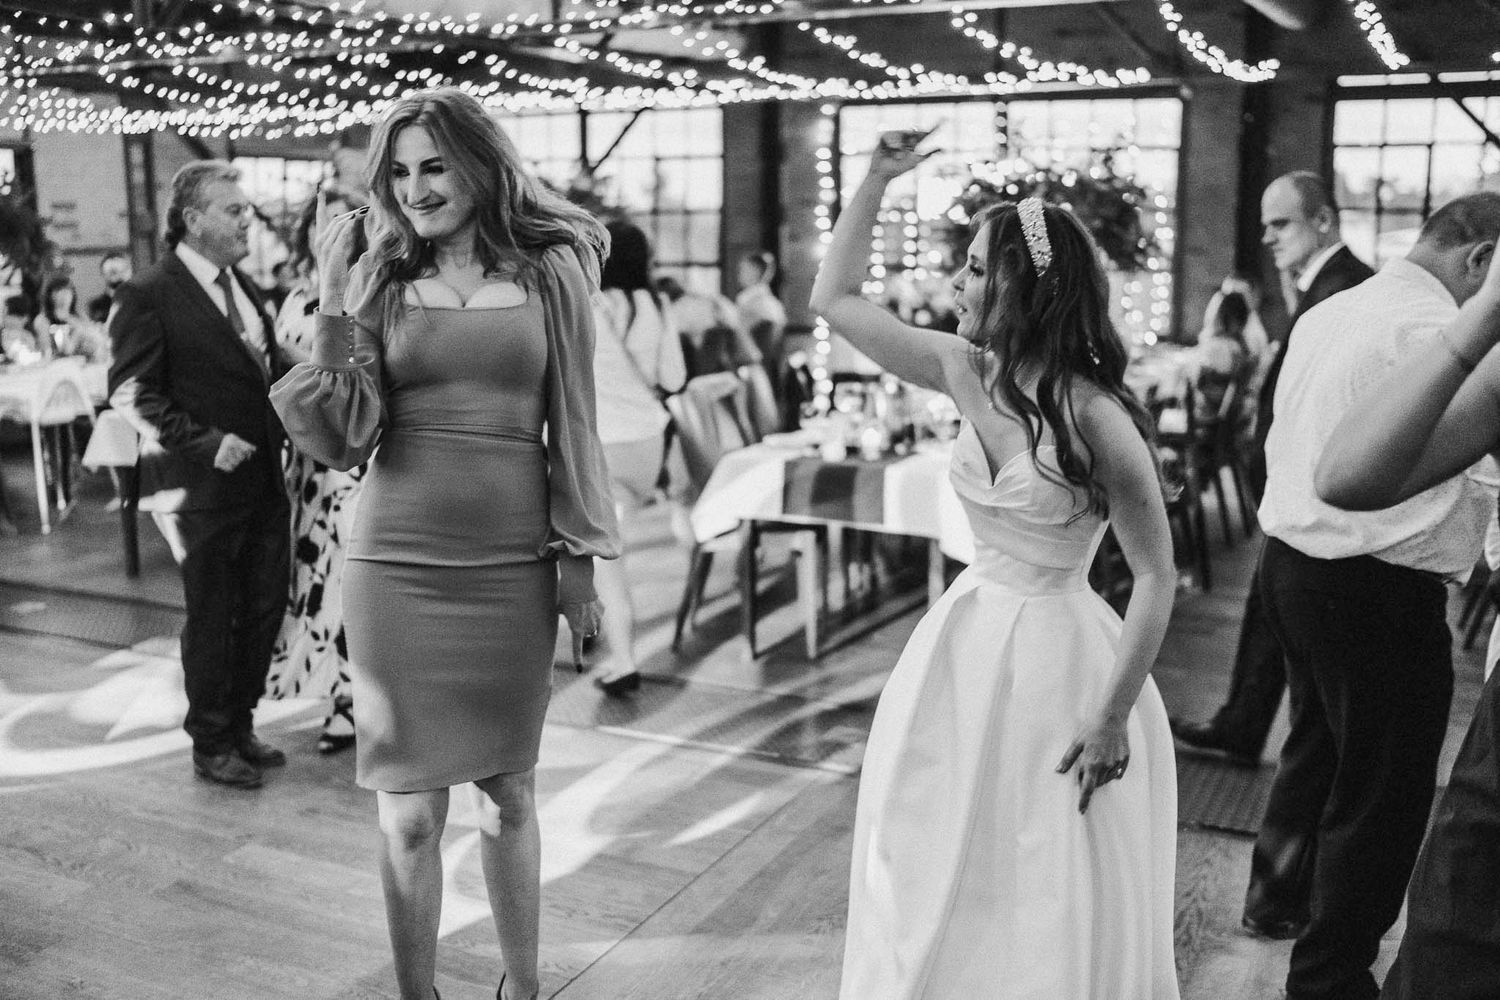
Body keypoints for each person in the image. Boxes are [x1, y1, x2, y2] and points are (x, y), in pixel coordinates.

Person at [269, 87, 618, 1000]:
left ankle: (524, 988)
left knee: (509, 793)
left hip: (513, 563)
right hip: (397, 561)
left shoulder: (552, 270)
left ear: (480, 167)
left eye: (434, 167)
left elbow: (576, 421)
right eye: (399, 172)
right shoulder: (379, 278)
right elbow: (342, 432)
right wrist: (334, 293)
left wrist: (579, 561)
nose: (415, 189)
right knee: (411, 814)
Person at [813, 130, 1179, 998]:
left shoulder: (1096, 418)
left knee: (1043, 867)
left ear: (1026, 287)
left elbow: (1156, 576)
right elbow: (834, 298)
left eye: (976, 269)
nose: (958, 283)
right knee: (929, 846)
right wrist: (876, 178)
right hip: (961, 645)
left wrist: (1112, 717)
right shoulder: (961, 368)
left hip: (1062, 661)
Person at [1245, 193, 1500, 1000]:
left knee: (1316, 755)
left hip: (1291, 563)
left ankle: (1276, 898)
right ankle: (1330, 975)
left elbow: (1279, 434)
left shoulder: (1333, 309)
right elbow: (1430, 471)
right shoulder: (1436, 331)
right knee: (1381, 799)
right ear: (1482, 260)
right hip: (1376, 583)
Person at [1172, 172, 1374, 782]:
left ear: (1324, 221)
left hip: (1313, 487)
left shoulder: (1343, 287)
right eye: (1264, 225)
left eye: (1280, 223)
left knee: (1296, 622)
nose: (1267, 237)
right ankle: (1242, 723)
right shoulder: (1321, 285)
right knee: (1268, 602)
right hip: (1292, 484)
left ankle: (1291, 756)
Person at [108, 161, 293, 790]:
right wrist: (206, 442)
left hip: (264, 480)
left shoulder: (243, 285)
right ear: (193, 219)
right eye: (234, 211)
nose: (247, 222)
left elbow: (259, 366)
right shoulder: (149, 292)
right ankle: (210, 742)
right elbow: (132, 392)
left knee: (263, 608)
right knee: (214, 616)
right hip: (201, 488)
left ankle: (240, 723)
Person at [264, 188, 366, 753]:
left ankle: (357, 698)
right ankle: (339, 692)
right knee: (318, 579)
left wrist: (313, 367)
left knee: (354, 577)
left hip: (355, 461)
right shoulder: (298, 294)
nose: (332, 232)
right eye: (322, 222)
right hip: (309, 464)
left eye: (344, 222)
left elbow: (356, 375)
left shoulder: (371, 291)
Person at [589, 219, 687, 695]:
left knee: (602, 554)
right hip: (647, 446)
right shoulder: (660, 306)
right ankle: (592, 623)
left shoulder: (586, 304)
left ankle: (623, 658)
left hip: (596, 444)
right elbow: (674, 378)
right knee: (601, 547)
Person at [1192, 288, 1254, 423]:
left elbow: (1198, 382)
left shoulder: (1217, 346)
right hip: (1231, 415)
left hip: (1210, 412)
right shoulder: (1243, 349)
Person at [736, 249, 788, 389]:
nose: (739, 275)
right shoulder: (774, 304)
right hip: (772, 371)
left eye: (743, 270)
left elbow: (740, 339)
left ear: (755, 271)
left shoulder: (749, 301)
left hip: (753, 368)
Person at [34, 275, 108, 362]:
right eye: (58, 292)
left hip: (87, 363)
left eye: (67, 293)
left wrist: (70, 320)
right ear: (50, 296)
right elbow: (47, 350)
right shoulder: (43, 320)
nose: (63, 297)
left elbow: (97, 339)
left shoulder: (79, 317)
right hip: (59, 364)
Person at [87, 250, 132, 324]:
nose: (119, 276)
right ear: (103, 275)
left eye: (123, 271)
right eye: (113, 272)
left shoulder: (142, 301)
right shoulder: (96, 306)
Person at [1, 292, 40, 362]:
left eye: (8, 314)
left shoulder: (27, 336)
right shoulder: (2, 334)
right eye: (3, 314)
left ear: (24, 318)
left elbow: (32, 354)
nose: (4, 318)